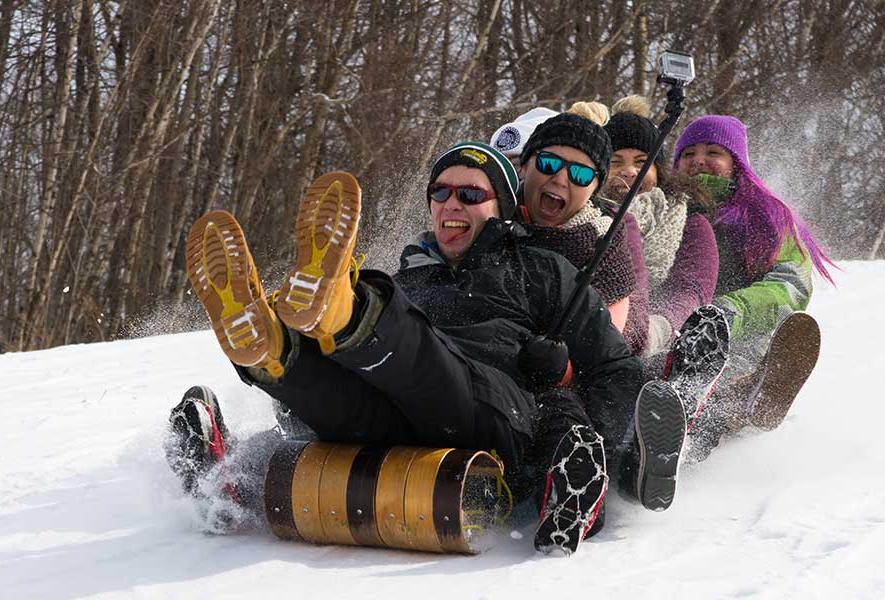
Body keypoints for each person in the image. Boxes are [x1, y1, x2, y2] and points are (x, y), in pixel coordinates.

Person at [166, 142, 684, 556]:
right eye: (441, 192)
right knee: (341, 384)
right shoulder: (411, 279)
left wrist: (587, 427)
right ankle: (273, 353)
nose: (452, 202)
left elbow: (615, 370)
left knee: (419, 355)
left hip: (493, 413)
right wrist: (296, 395)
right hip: (393, 422)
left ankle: (345, 318)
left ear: (502, 209)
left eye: (469, 194)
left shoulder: (542, 270)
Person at [672, 115, 834, 457]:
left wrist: (730, 310)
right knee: (666, 369)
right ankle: (732, 403)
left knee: (711, 374)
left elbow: (790, 284)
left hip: (737, 333)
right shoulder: (665, 209)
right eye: (689, 154)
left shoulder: (768, 216)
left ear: (736, 163)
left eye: (713, 152)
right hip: (670, 323)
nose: (699, 160)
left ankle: (739, 399)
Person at [492, 108, 644, 347]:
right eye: (549, 163)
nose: (560, 179)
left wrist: (564, 369)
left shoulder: (605, 247)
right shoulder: (488, 215)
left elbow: (606, 347)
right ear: (524, 166)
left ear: (595, 189)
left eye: (580, 174)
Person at [603, 96, 719, 359]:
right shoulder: (585, 215)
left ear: (658, 169)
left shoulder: (690, 220)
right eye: (616, 162)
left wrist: (658, 327)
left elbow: (692, 289)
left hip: (664, 338)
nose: (629, 171)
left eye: (641, 162)